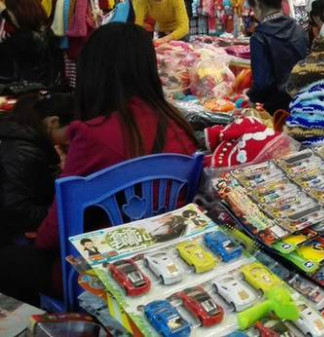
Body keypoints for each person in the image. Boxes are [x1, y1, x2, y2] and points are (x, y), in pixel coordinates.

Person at [0, 23, 198, 305]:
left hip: (96, 274)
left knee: (8, 258)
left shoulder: (93, 134)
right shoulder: (180, 127)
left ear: (94, 71)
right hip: (164, 261)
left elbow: (52, 234)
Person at [0, 92, 75, 247]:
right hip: (13, 236)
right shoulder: (23, 152)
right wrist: (57, 214)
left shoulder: (22, 137)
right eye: (71, 130)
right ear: (54, 122)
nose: (72, 138)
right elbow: (16, 209)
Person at [247, 0, 308, 114]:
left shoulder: (260, 37)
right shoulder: (298, 30)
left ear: (257, 4)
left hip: (277, 111)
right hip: (304, 104)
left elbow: (262, 84)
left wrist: (252, 98)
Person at [0, 0, 62, 86]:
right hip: (46, 93)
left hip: (19, 95)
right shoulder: (49, 35)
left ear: (18, 14)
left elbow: (5, 78)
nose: (10, 17)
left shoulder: (14, 44)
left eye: (10, 13)